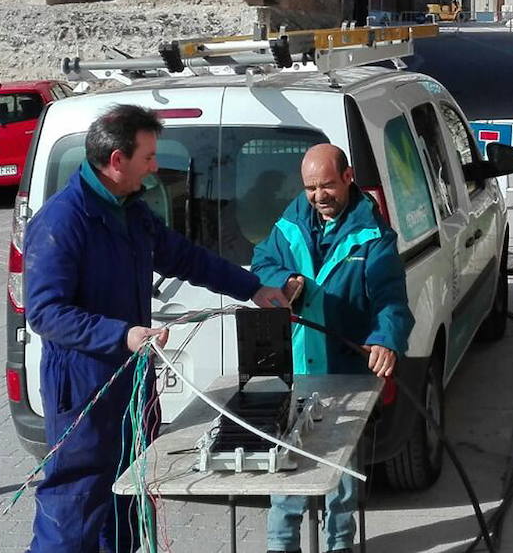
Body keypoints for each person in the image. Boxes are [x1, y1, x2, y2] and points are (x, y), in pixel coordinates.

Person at [23, 104, 292, 553]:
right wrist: (122, 335)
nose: (155, 167)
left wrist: (253, 288)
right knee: (77, 504)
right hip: (84, 386)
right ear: (116, 161)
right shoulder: (61, 222)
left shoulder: (131, 210)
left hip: (132, 381)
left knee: (130, 494)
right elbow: (46, 312)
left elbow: (186, 257)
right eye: (148, 157)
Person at [251, 143, 414, 553]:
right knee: (285, 474)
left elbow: (391, 301)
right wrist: (285, 280)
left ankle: (338, 547)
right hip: (295, 372)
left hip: (347, 375)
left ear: (348, 177)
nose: (319, 196)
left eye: (327, 185)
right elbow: (261, 264)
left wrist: (385, 340)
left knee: (340, 483)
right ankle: (280, 547)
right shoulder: (289, 225)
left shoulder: (373, 236)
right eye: (310, 187)